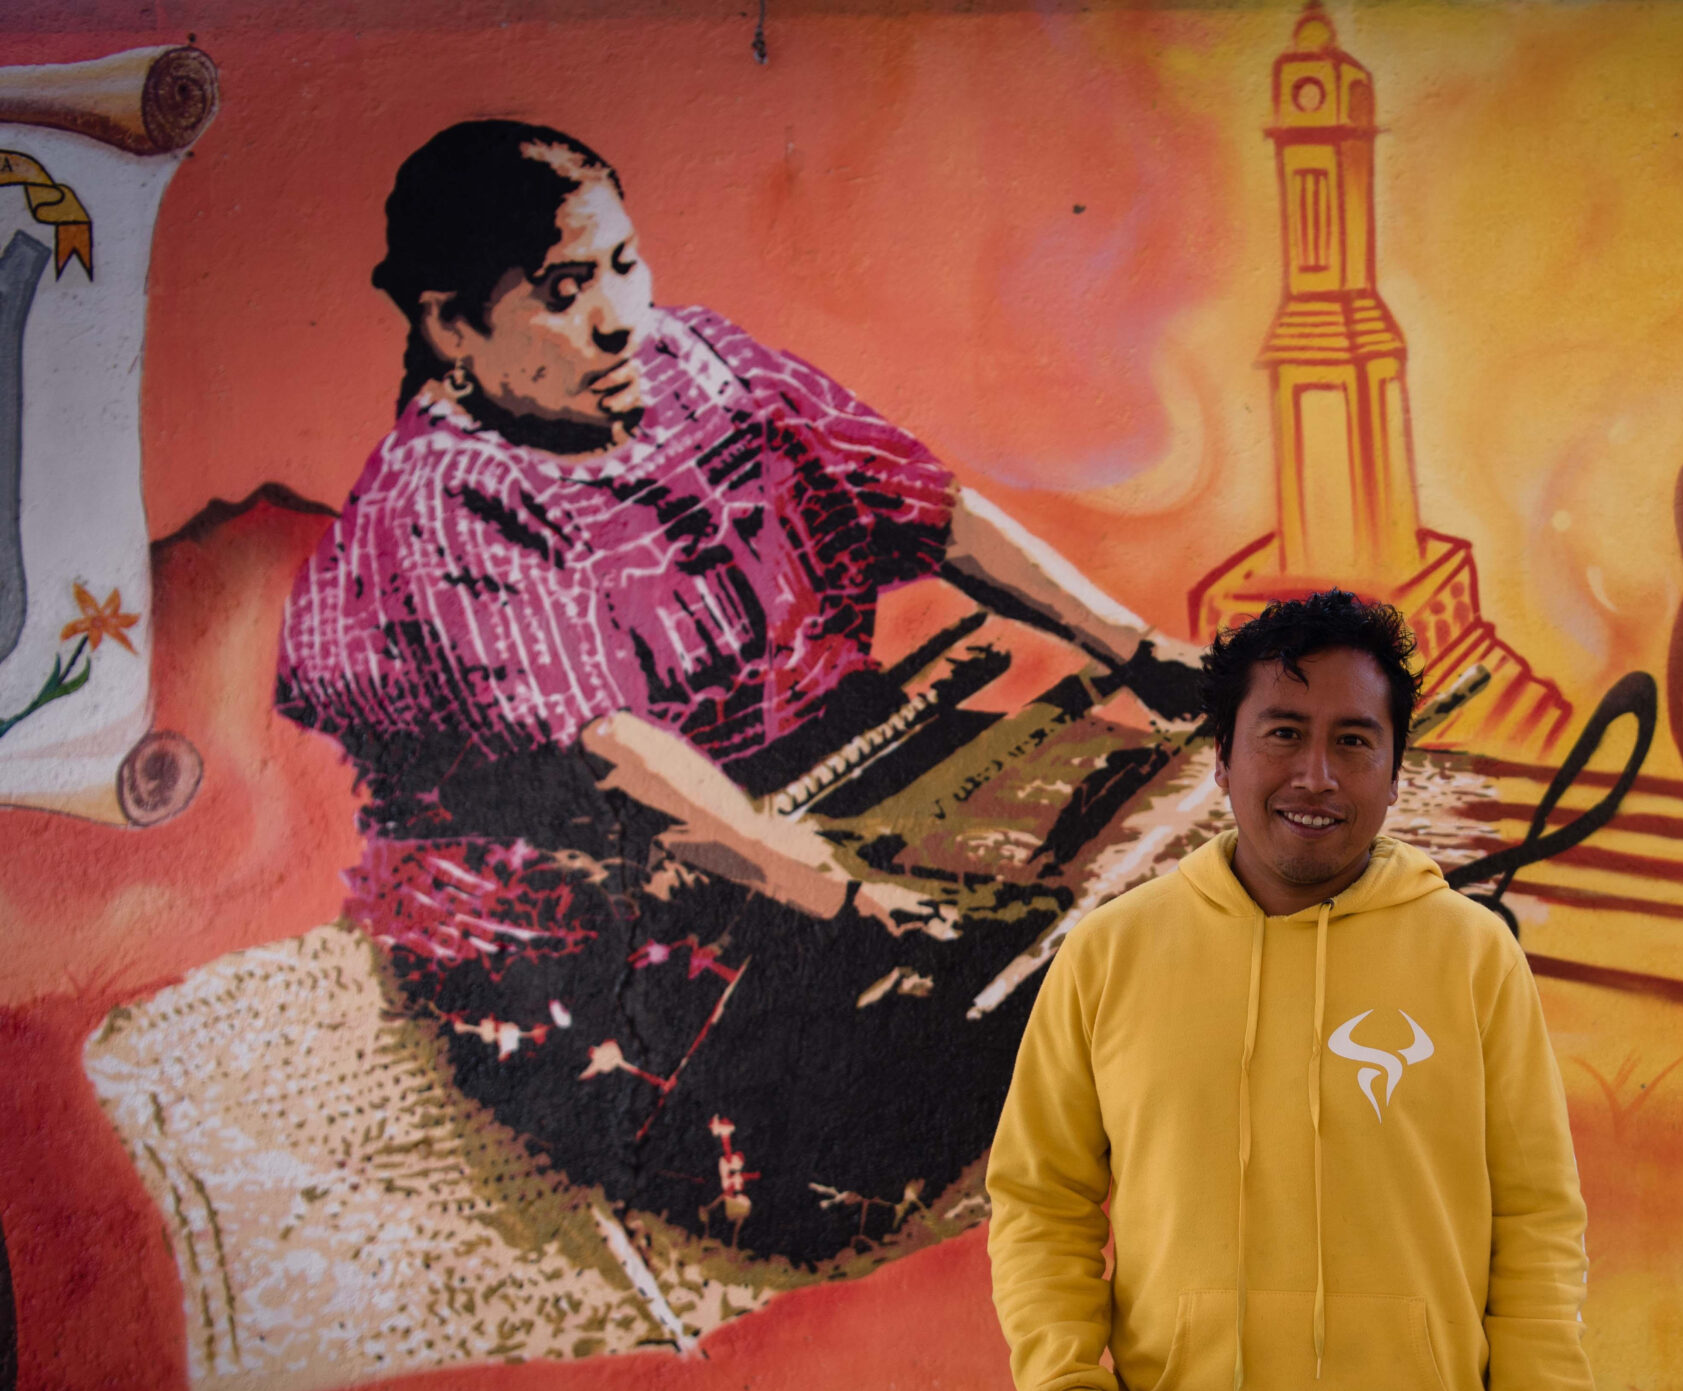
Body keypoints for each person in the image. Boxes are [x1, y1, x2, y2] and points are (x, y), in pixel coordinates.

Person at [277, 120, 1200, 1267]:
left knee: (1159, 847)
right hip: (646, 887)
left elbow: (916, 501)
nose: (615, 314)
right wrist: (843, 902)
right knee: (951, 1038)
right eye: (564, 290)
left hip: (841, 755)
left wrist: (1138, 649)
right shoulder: (443, 499)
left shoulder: (699, 364)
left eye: (621, 264)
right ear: (450, 324)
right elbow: (611, 751)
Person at [986, 590, 1597, 1391]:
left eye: (1353, 742)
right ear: (1221, 758)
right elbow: (1039, 1200)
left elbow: (1536, 1226)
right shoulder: (1110, 955)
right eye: (1282, 734)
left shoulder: (1472, 959)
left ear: (1394, 771)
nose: (1316, 775)